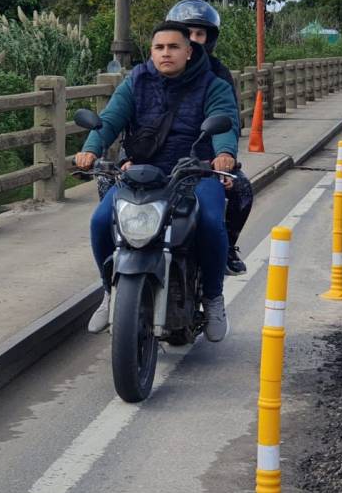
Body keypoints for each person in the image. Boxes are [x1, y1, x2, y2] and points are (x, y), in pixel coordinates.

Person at [75, 21, 238, 342]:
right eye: (159, 47)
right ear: (151, 52)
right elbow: (109, 119)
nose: (166, 53)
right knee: (99, 221)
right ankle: (108, 292)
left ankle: (214, 298)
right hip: (140, 173)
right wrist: (90, 150)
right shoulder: (136, 81)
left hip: (195, 171)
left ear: (189, 52)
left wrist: (224, 155)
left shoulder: (213, 84)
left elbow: (225, 122)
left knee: (209, 222)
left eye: (174, 47)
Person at [164, 0, 254, 276]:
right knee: (111, 189)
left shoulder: (218, 75)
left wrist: (224, 156)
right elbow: (129, 116)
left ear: (209, 38)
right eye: (186, 33)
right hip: (155, 157)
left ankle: (226, 247)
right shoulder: (154, 71)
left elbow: (227, 120)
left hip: (204, 159)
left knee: (242, 190)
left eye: (199, 34)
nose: (192, 40)